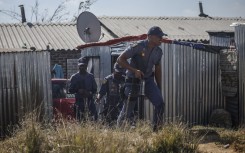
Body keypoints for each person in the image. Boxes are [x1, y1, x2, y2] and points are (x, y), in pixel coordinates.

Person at [116, 26, 166, 131]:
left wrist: (159, 87)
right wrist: (134, 70)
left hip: (148, 80)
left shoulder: (158, 52)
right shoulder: (138, 46)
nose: (161, 38)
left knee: (160, 103)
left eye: (162, 36)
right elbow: (120, 59)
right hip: (133, 80)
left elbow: (157, 68)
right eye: (159, 36)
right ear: (150, 37)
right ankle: (119, 132)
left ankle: (156, 133)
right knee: (128, 110)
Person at [69, 57, 98, 121]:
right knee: (80, 120)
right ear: (78, 66)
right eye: (80, 66)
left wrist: (89, 93)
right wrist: (78, 90)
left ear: (86, 66)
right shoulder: (74, 77)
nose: (82, 67)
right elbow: (70, 90)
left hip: (90, 101)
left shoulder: (90, 76)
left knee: (93, 119)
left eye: (83, 66)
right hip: (79, 102)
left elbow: (95, 89)